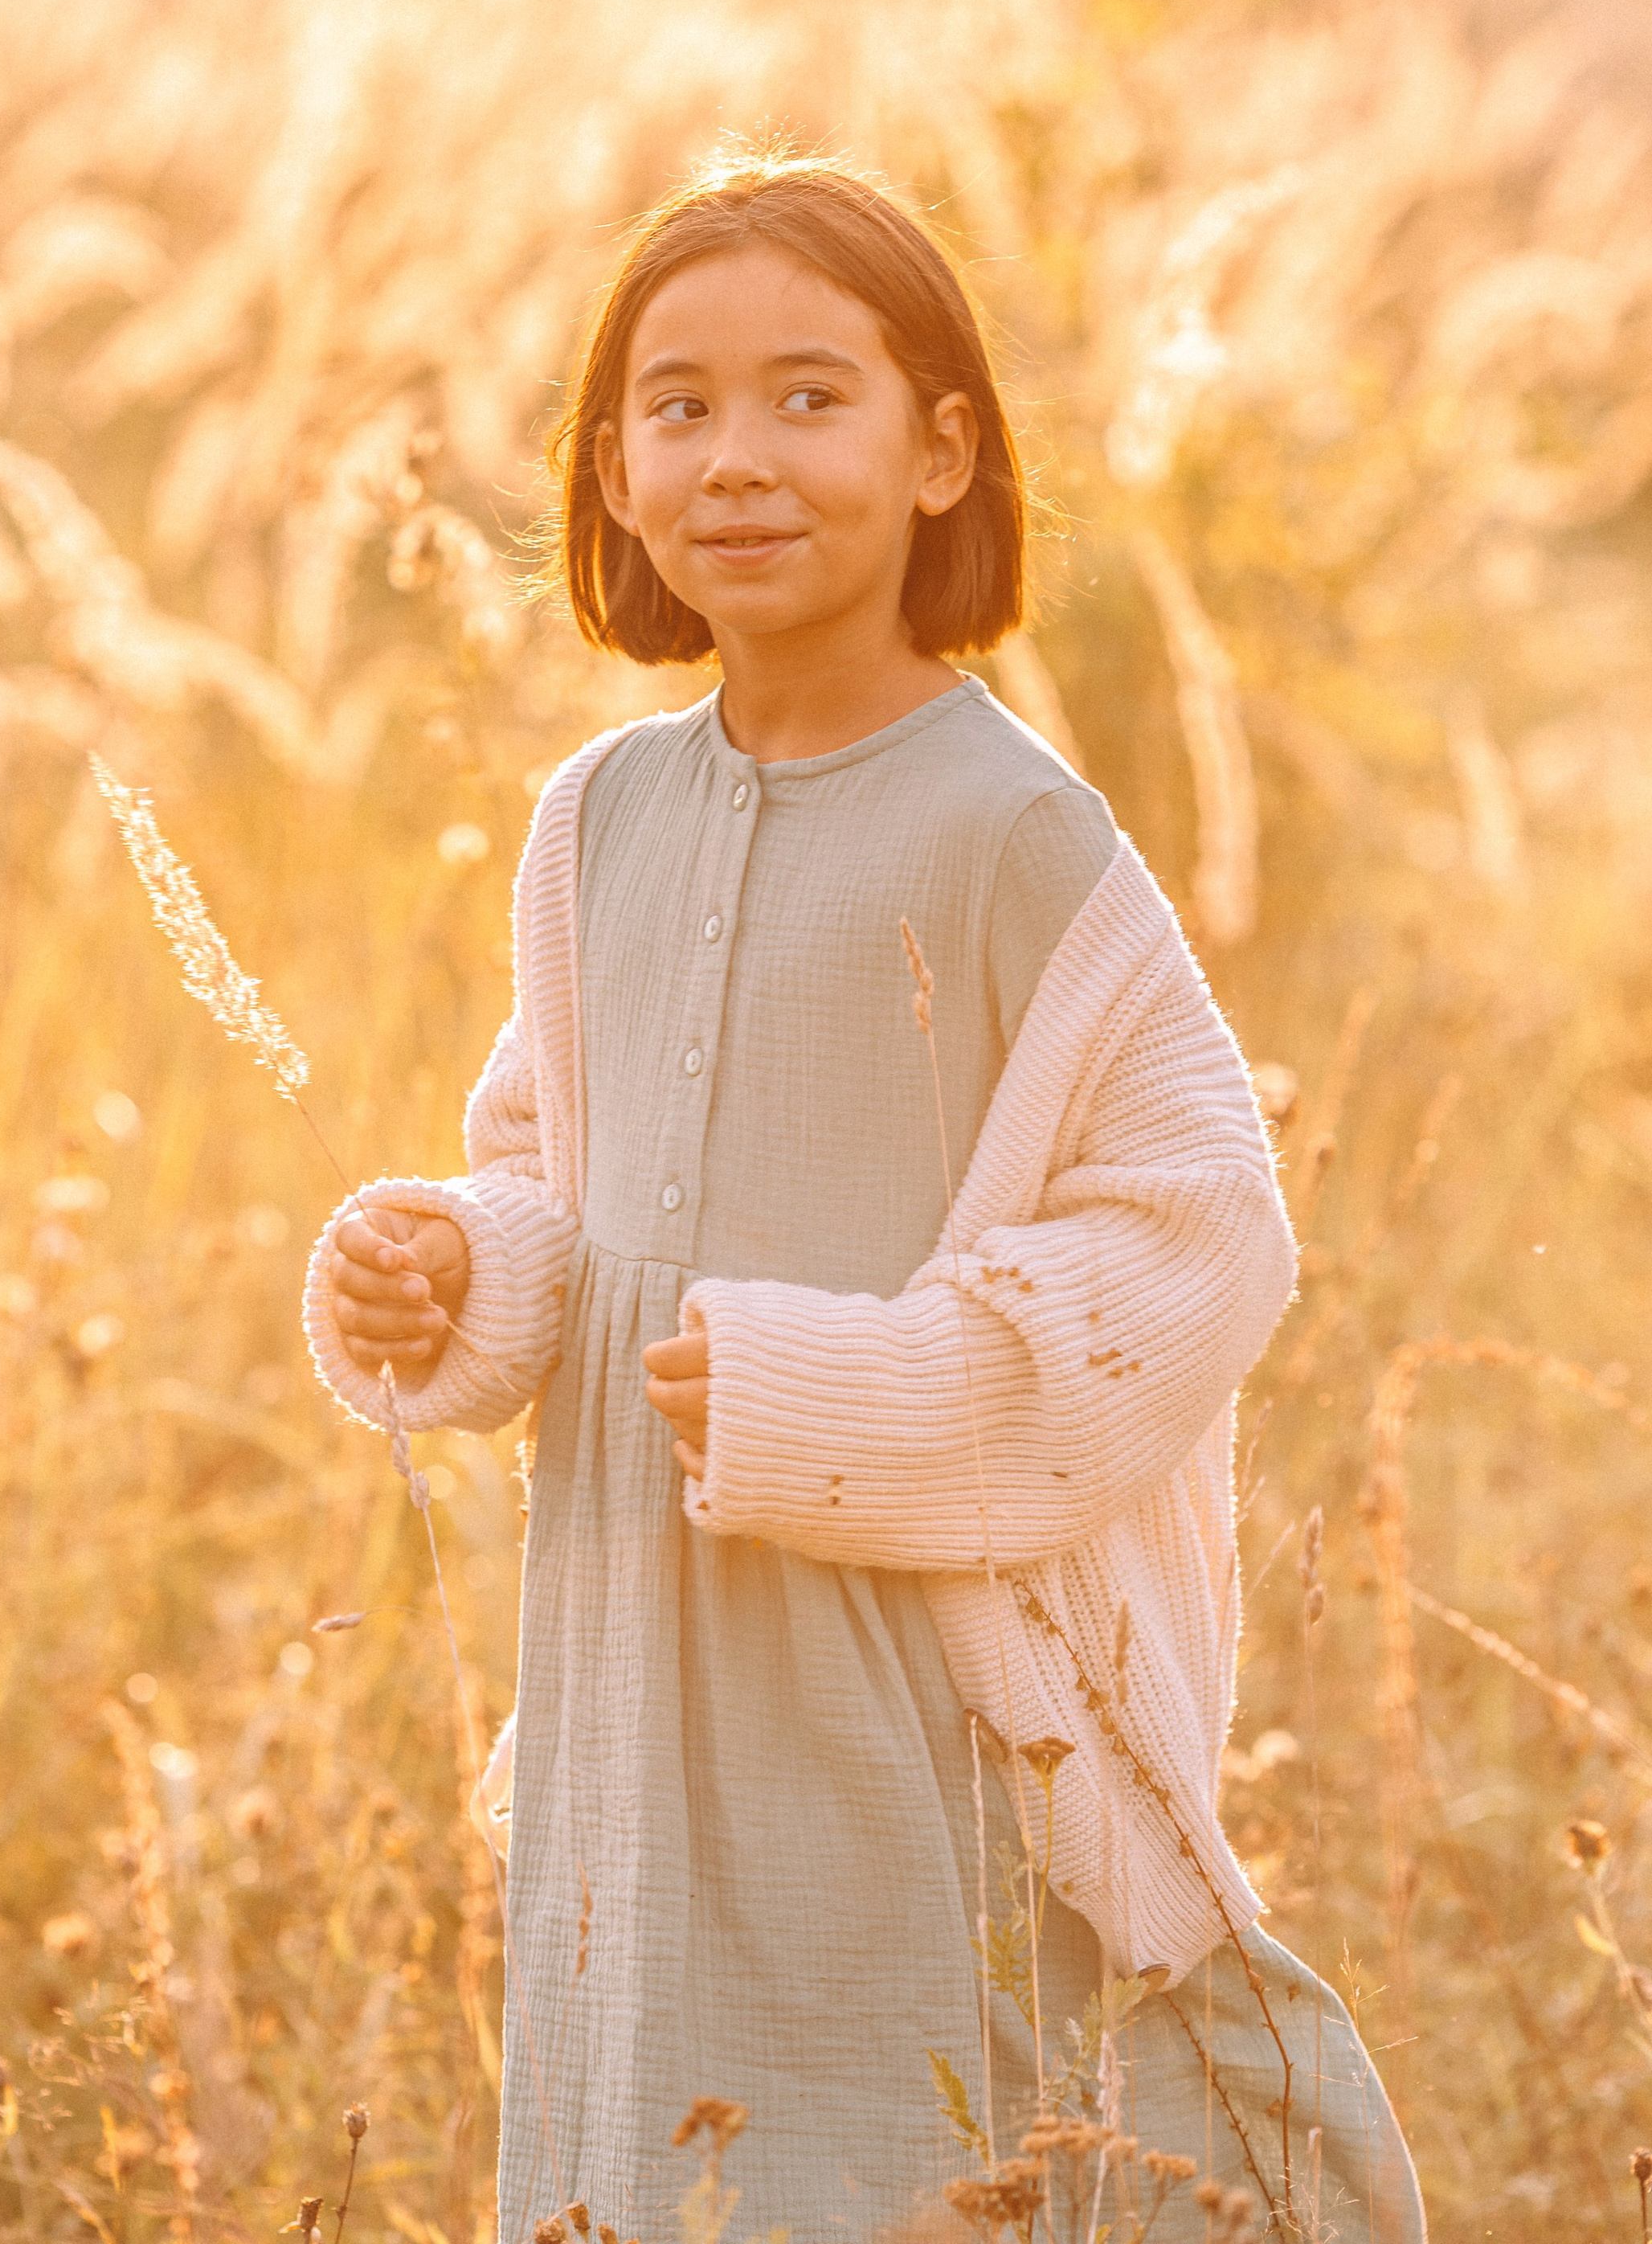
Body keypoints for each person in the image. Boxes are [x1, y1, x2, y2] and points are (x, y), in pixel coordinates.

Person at [303, 160, 1423, 2244]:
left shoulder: (1019, 837)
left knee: (908, 2149)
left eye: (811, 398)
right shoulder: (594, 822)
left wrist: (856, 1391)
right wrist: (461, 1272)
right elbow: (558, 1174)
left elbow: (1197, 1233)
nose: (739, 457)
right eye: (679, 406)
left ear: (941, 450)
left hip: (909, 1685)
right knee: (652, 2153)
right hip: (642, 1655)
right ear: (613, 474)